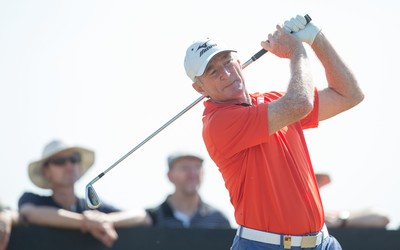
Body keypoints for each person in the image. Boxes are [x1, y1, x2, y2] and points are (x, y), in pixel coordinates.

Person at [183, 14, 364, 249]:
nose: (226, 74)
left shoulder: (272, 102)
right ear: (199, 87)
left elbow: (349, 95)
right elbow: (299, 103)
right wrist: (297, 52)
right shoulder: (218, 123)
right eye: (212, 71)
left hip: (323, 243)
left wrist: (316, 38)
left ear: (239, 62)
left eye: (227, 61)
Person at [18, 140, 151, 248]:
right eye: (60, 161)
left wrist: (106, 220)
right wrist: (87, 223)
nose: (69, 165)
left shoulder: (92, 208)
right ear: (46, 171)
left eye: (74, 159)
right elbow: (30, 213)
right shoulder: (33, 199)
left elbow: (142, 216)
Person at [145, 152, 231, 228]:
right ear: (170, 176)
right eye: (184, 168)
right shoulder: (152, 217)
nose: (192, 173)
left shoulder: (218, 219)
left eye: (197, 167)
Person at [315, 173, 390, 229]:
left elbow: (381, 217)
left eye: (315, 181)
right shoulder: (313, 220)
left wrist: (340, 221)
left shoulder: (330, 215)